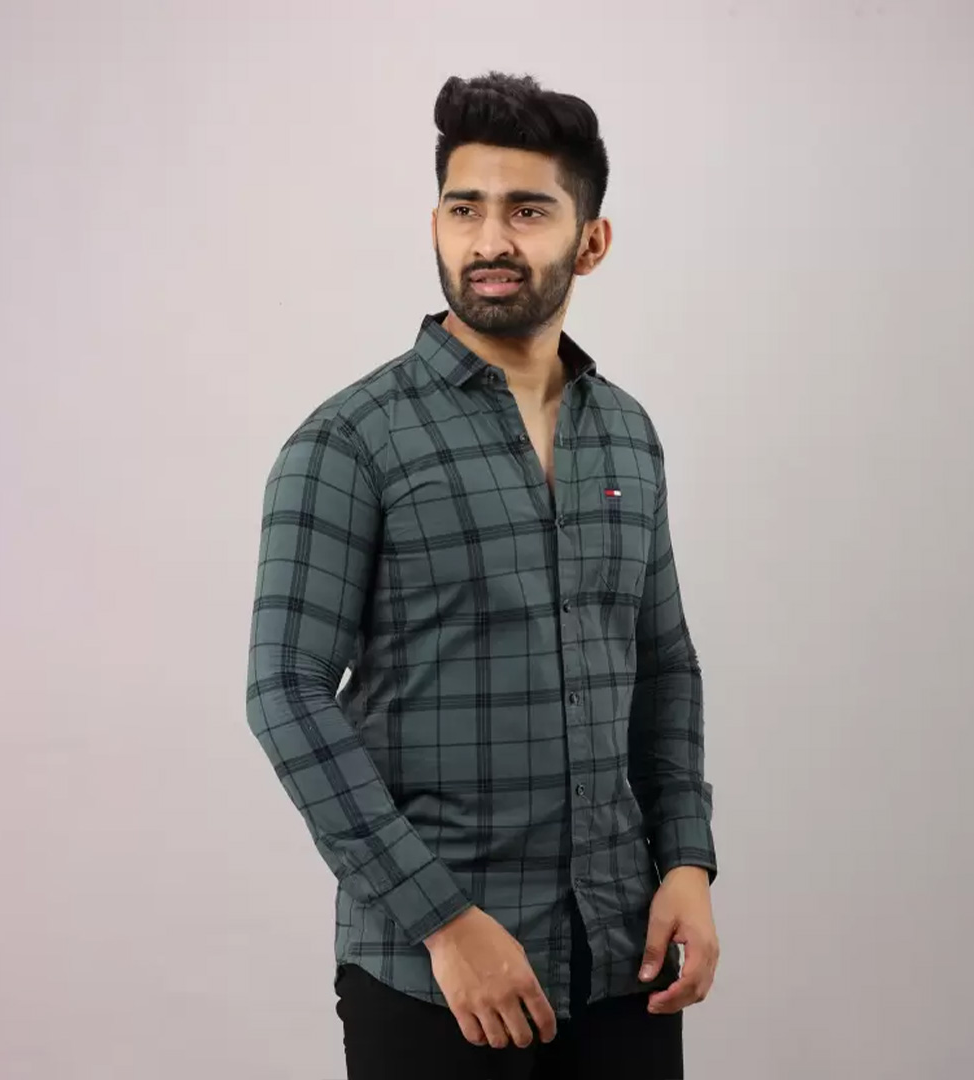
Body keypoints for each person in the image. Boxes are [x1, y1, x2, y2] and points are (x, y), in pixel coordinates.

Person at [245, 70, 720, 1080]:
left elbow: (664, 662)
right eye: (465, 209)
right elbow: (285, 693)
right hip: (435, 977)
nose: (490, 239)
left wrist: (686, 861)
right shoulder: (349, 442)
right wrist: (445, 921)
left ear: (590, 240)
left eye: (528, 211)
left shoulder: (627, 434)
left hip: (622, 957)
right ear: (436, 223)